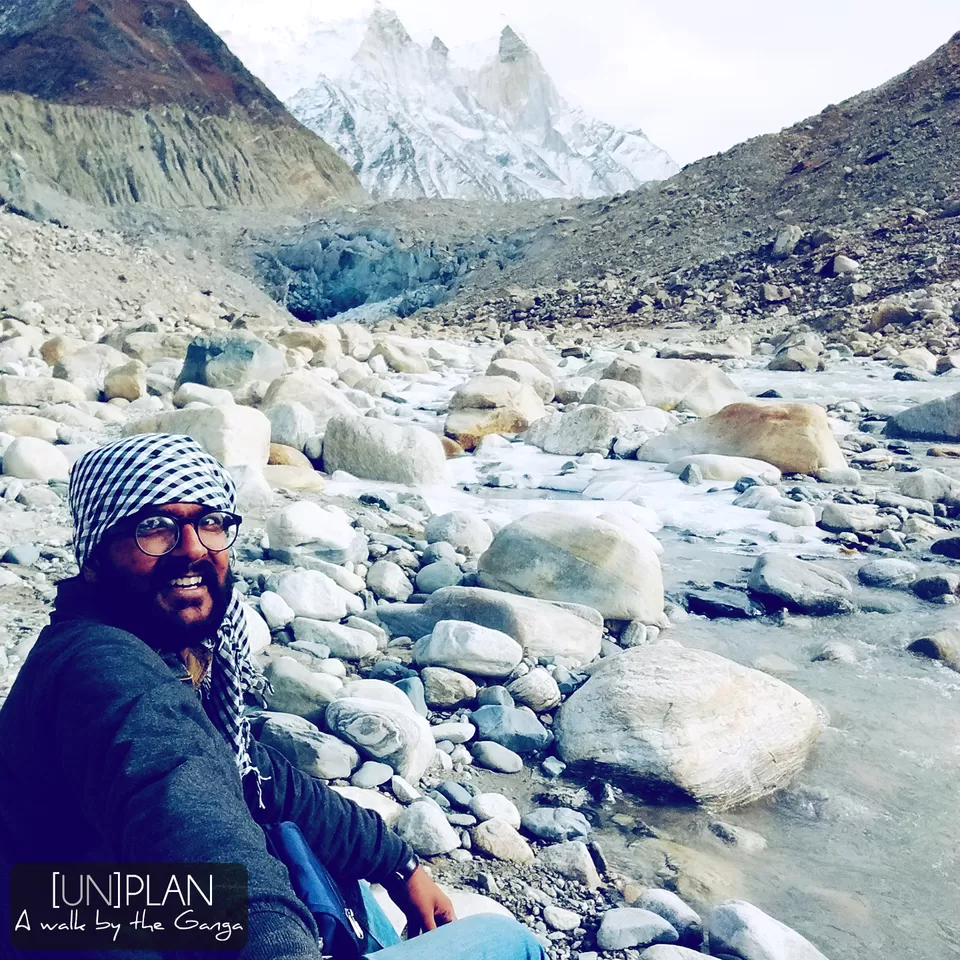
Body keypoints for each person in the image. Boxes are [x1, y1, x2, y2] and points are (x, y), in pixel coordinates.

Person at [0, 433, 545, 960]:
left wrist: (396, 863)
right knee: (506, 940)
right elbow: (187, 810)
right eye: (155, 528)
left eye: (211, 523)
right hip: (78, 932)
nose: (192, 548)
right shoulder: (107, 671)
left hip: (73, 909)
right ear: (95, 556)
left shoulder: (135, 645)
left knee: (320, 870)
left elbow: (249, 771)